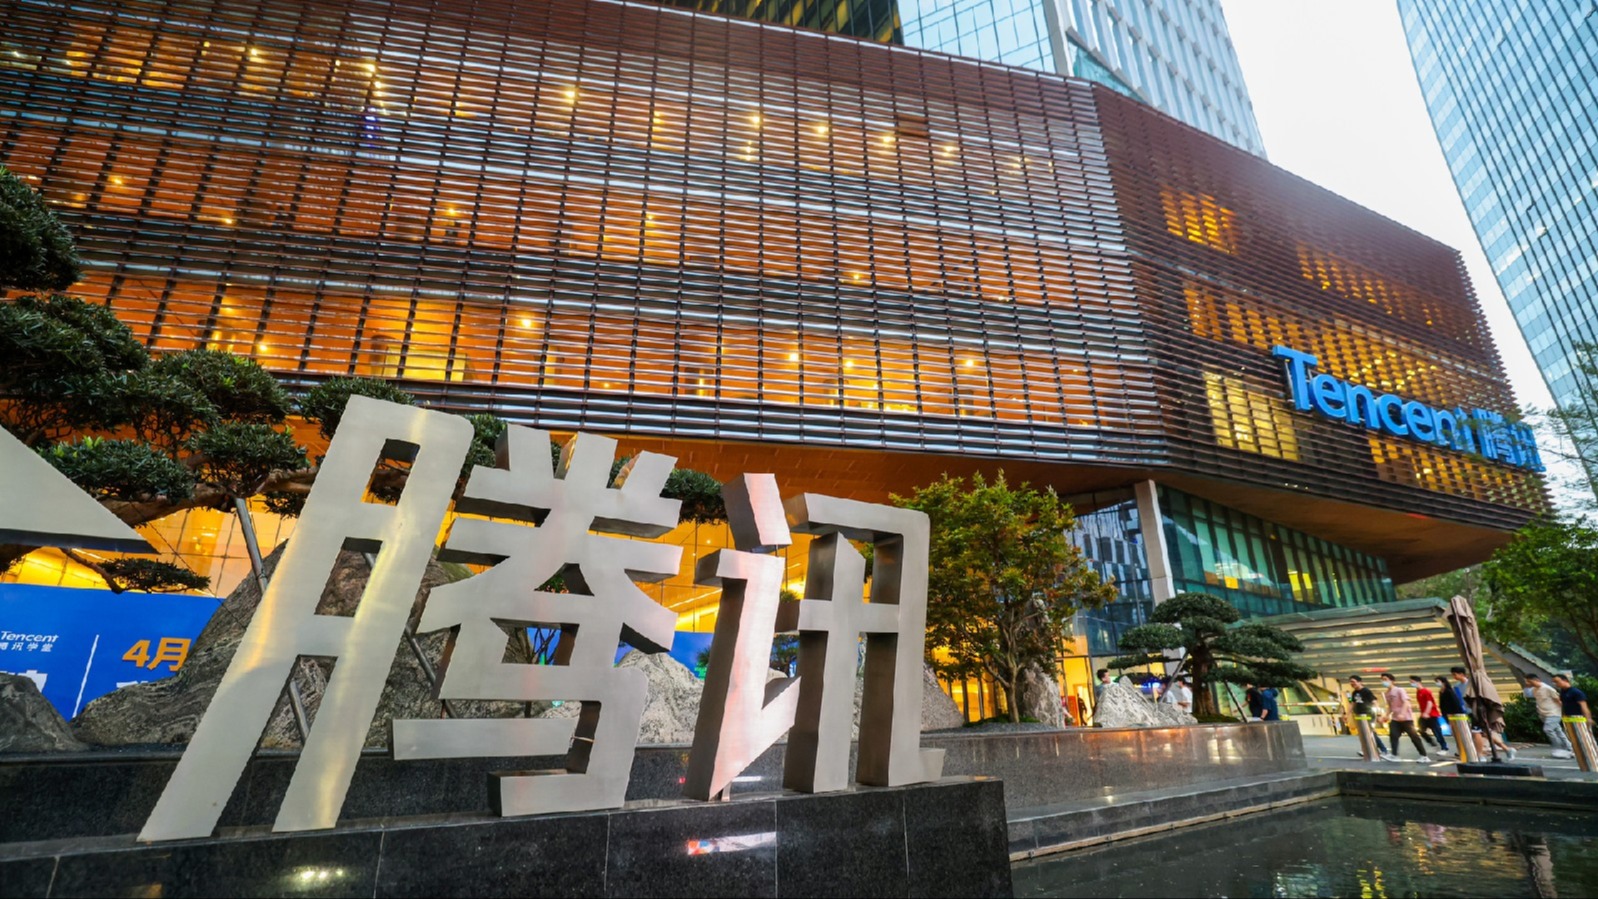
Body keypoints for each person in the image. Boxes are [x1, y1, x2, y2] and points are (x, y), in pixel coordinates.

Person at [1452, 666, 1515, 759]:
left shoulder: (1472, 683)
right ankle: (1507, 749)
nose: (1454, 676)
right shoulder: (1456, 686)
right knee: (1485, 733)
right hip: (1467, 711)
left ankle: (1480, 754)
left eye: (1455, 674)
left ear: (1461, 674)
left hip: (1476, 711)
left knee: (1476, 732)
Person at [1381, 672, 1429, 761]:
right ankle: (1394, 755)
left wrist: (1402, 714)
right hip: (1395, 718)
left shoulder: (1400, 690)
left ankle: (1424, 756)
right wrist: (1386, 716)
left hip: (1406, 718)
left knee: (1414, 737)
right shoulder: (1386, 693)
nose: (1384, 681)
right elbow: (1390, 706)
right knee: (1393, 735)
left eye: (1385, 679)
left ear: (1392, 681)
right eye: (1382, 680)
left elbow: (1406, 702)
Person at [1525, 674, 1574, 759]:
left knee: (1548, 729)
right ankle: (1570, 747)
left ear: (1536, 680)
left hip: (1554, 713)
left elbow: (1558, 700)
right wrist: (1527, 687)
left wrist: (1566, 712)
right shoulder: (1534, 690)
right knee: (1558, 731)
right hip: (1544, 714)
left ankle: (1559, 748)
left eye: (1529, 681)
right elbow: (1527, 695)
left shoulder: (1548, 688)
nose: (1528, 683)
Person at [1347, 675, 1390, 756]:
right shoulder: (1354, 693)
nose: (1352, 684)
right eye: (1350, 682)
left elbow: (1375, 702)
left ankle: (1383, 749)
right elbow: (1352, 703)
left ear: (1360, 682)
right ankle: (1366, 749)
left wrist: (1379, 714)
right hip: (1359, 715)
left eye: (1353, 682)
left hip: (1368, 715)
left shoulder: (1366, 691)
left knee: (1370, 732)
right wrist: (1347, 714)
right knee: (1363, 733)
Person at [1411, 675, 1448, 754]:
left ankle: (1444, 748)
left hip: (1432, 715)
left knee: (1437, 732)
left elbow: (1430, 703)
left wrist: (1426, 713)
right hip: (1424, 715)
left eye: (1412, 682)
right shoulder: (1418, 692)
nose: (1411, 684)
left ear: (1418, 682)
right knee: (1421, 730)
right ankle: (1432, 743)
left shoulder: (1426, 691)